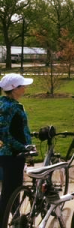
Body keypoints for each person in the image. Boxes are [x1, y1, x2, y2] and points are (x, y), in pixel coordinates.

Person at [0, 73, 33, 223]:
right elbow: (5, 134)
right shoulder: (9, 107)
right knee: (9, 192)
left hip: (12, 154)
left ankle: (16, 218)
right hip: (12, 155)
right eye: (22, 86)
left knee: (13, 189)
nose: (25, 88)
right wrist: (23, 147)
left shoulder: (7, 103)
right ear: (14, 89)